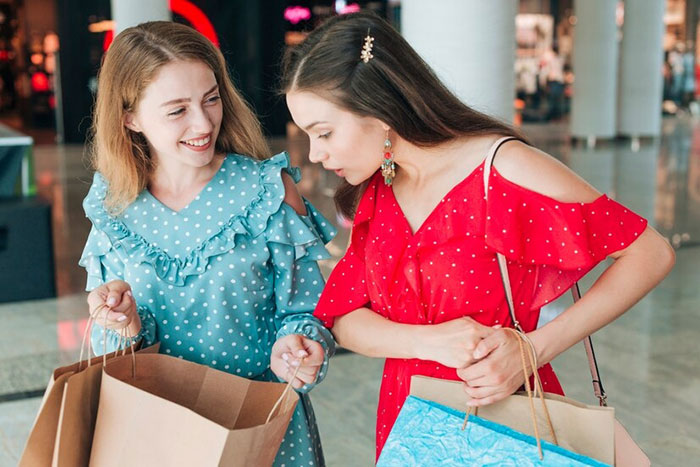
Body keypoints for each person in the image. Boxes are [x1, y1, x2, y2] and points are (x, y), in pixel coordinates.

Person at [281, 12, 675, 459]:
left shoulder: (502, 170)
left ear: (379, 110)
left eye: (324, 132)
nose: (315, 153)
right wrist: (429, 342)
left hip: (504, 422)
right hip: (410, 424)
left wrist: (532, 350)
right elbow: (346, 320)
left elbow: (651, 253)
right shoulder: (380, 187)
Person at [79, 21, 335, 466]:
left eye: (211, 99)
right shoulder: (112, 208)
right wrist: (122, 323)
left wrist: (296, 345)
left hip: (259, 423)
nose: (203, 123)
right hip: (157, 429)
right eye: (177, 110)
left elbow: (309, 310)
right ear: (129, 117)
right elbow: (109, 349)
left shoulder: (267, 191)